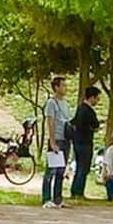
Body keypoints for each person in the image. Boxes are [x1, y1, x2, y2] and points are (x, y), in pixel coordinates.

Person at [42, 75, 72, 208]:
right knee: (51, 170)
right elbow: (51, 122)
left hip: (66, 139)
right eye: (63, 85)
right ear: (56, 87)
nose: (65, 88)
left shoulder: (65, 104)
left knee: (61, 170)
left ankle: (58, 198)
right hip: (57, 139)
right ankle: (46, 198)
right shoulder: (51, 103)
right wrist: (52, 141)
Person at [70, 84, 101, 200]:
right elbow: (95, 125)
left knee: (80, 167)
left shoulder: (80, 109)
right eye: (97, 98)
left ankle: (75, 190)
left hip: (78, 142)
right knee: (83, 168)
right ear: (91, 97)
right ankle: (78, 192)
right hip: (85, 143)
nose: (97, 101)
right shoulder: (88, 111)